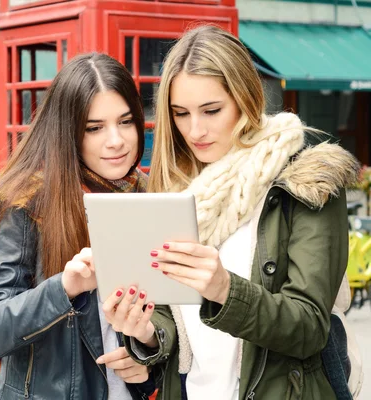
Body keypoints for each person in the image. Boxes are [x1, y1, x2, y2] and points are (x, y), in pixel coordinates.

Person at [100, 25, 360, 400]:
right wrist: (142, 332)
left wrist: (225, 289)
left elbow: (309, 328)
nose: (195, 130)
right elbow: (171, 318)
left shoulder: (306, 180)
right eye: (180, 113)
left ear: (247, 98)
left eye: (211, 110)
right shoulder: (177, 187)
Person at [0, 53, 157, 400]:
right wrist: (64, 288)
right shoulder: (27, 203)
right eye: (94, 128)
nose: (116, 141)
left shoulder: (151, 196)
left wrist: (147, 356)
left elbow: (170, 322)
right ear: (67, 132)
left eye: (125, 122)